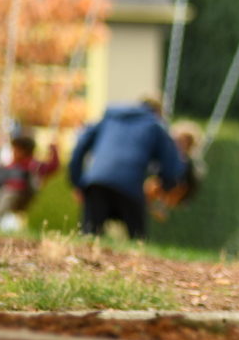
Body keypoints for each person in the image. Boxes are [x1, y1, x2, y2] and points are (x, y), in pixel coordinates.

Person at [69, 97, 185, 239]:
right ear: (158, 112)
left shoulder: (109, 119)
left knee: (89, 238)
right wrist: (166, 186)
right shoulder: (155, 126)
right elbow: (172, 166)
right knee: (138, 242)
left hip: (97, 183)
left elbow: (80, 144)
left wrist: (78, 182)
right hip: (130, 188)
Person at [0, 126, 59, 228]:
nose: (14, 152)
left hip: (22, 197)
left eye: (17, 149)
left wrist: (54, 148)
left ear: (26, 151)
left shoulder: (34, 165)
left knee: (8, 195)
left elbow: (53, 166)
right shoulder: (10, 165)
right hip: (3, 194)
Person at [144, 119, 205, 222]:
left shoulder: (187, 163)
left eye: (184, 143)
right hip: (164, 187)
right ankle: (153, 207)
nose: (180, 145)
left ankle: (157, 206)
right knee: (149, 187)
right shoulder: (165, 156)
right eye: (178, 141)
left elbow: (187, 185)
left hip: (176, 188)